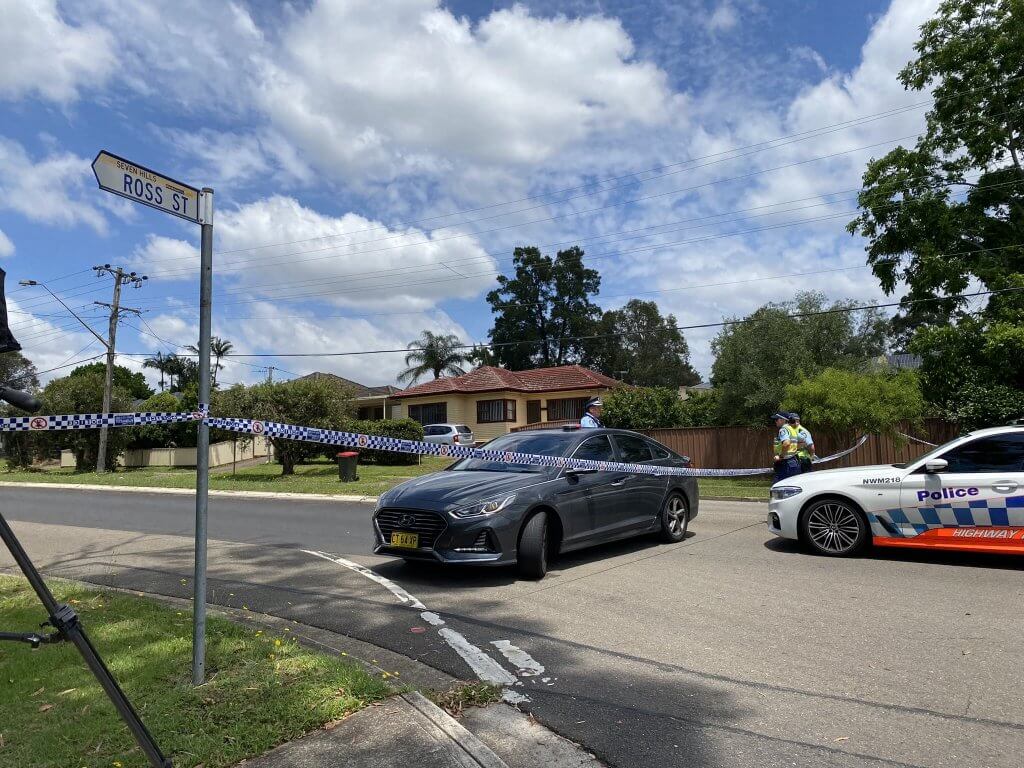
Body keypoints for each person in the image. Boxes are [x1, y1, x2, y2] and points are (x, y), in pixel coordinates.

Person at [771, 411, 801, 481]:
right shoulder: (792, 429)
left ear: (782, 420)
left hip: (785, 463)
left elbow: (786, 443)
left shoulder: (783, 429)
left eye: (776, 419)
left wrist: (780, 456)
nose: (775, 422)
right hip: (794, 461)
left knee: (778, 487)